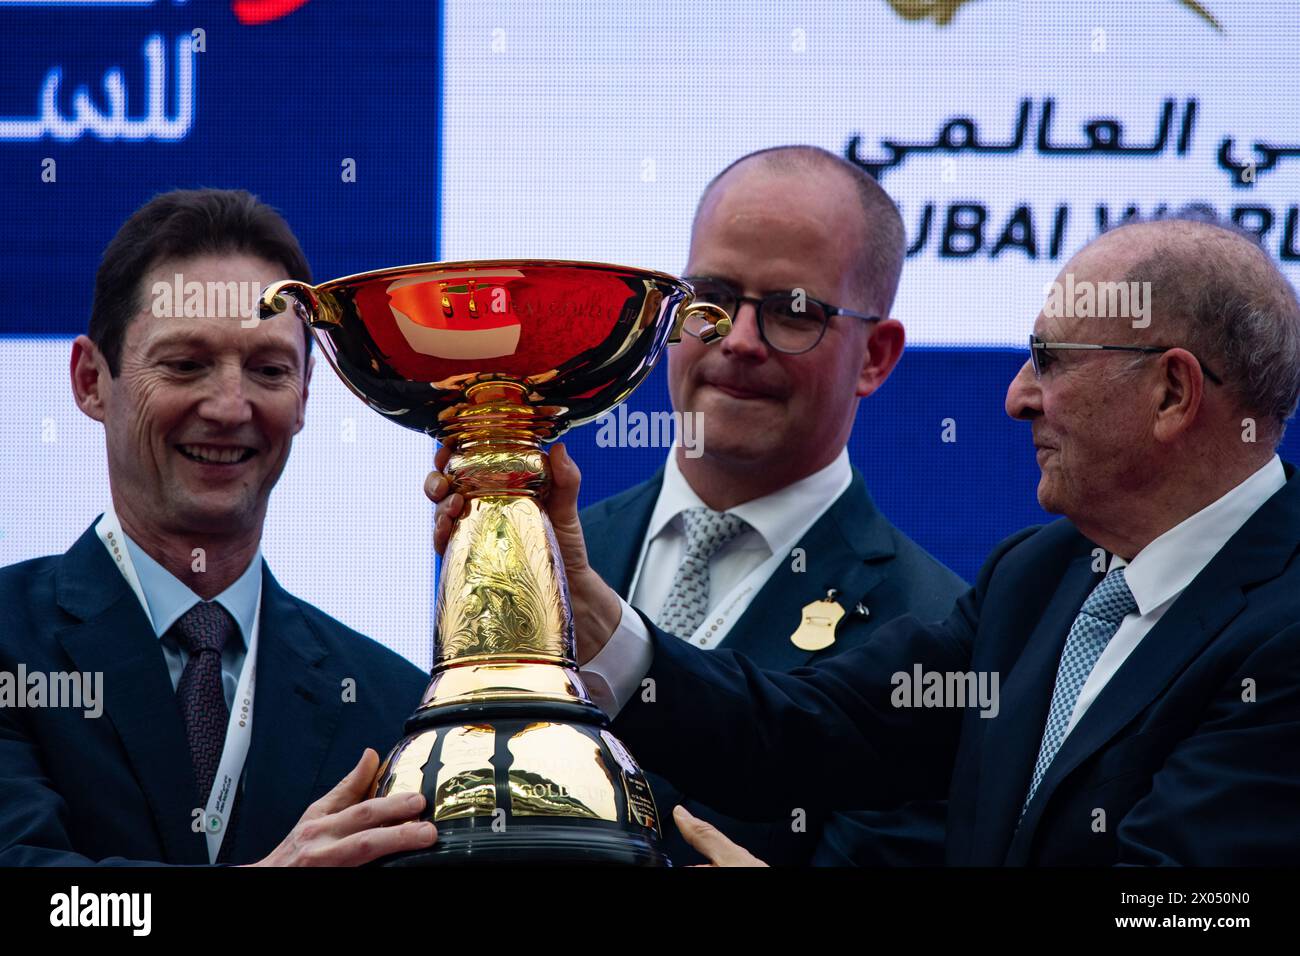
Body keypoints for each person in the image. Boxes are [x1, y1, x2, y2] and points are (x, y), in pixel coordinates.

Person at [432, 212, 1300, 864]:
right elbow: (816, 730)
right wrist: (590, 619)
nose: (1017, 397)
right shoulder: (1039, 580)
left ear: (1172, 395)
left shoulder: (1287, 636)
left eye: (1050, 359)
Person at [0, 189, 438, 866]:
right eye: (185, 364)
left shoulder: (393, 706)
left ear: (303, 399)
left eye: (268, 370)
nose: (231, 407)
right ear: (91, 381)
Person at [573, 146, 965, 865]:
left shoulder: (935, 628)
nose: (740, 341)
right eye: (712, 299)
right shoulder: (555, 559)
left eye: (793, 313)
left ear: (876, 356)